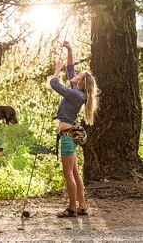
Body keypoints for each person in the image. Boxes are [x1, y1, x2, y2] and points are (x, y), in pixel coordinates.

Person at [50, 41, 99, 217]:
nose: (75, 74)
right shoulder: (77, 92)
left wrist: (57, 69)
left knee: (68, 173)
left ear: (81, 81)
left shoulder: (76, 95)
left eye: (79, 75)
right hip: (69, 135)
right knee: (75, 173)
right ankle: (82, 206)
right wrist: (69, 50)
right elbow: (70, 68)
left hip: (67, 137)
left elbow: (55, 84)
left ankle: (71, 208)